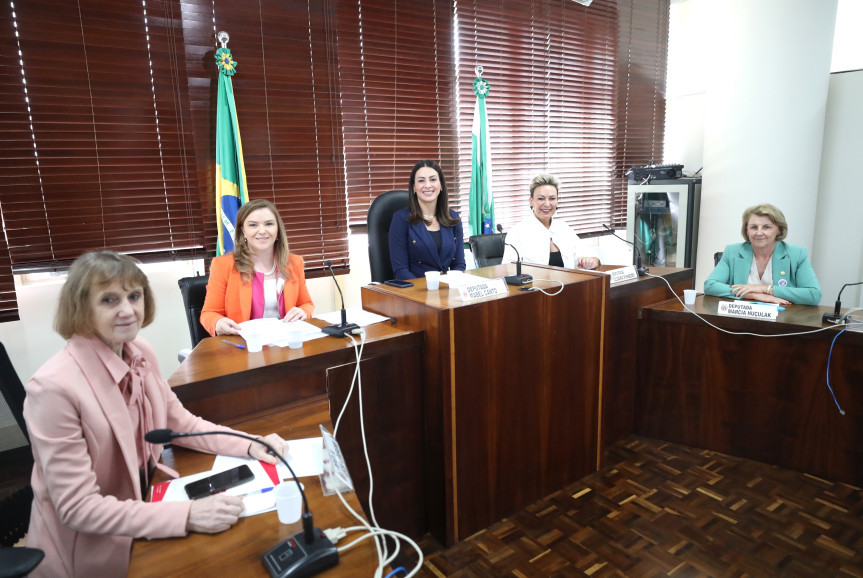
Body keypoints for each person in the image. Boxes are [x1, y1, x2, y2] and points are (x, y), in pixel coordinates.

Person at [23, 251, 289, 577]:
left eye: (134, 296)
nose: (127, 310)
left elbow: (183, 424)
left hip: (147, 501)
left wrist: (250, 443)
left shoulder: (140, 352)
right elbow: (78, 508)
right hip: (88, 550)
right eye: (109, 300)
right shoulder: (53, 389)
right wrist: (187, 515)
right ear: (81, 307)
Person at [201, 198, 314, 336]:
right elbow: (209, 314)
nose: (262, 231)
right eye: (253, 225)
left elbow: (306, 304)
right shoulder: (223, 266)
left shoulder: (294, 263)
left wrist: (303, 311)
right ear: (243, 230)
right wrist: (218, 323)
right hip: (244, 346)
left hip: (286, 342)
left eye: (269, 224)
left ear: (277, 229)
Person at [704, 203, 821, 305]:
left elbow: (813, 295)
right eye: (754, 227)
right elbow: (710, 286)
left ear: (779, 230)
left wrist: (764, 289)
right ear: (747, 230)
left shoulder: (796, 254)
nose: (759, 233)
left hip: (783, 320)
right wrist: (754, 295)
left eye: (766, 227)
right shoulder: (733, 252)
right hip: (740, 319)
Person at [502, 173, 600, 269]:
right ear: (531, 201)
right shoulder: (517, 232)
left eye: (552, 198)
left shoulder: (564, 228)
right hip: (534, 285)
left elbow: (591, 256)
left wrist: (591, 261)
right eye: (541, 198)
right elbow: (508, 270)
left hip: (568, 284)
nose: (547, 204)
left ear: (557, 201)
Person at [389, 160, 466, 280]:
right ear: (414, 188)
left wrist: (450, 286)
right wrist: (428, 291)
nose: (428, 185)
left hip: (447, 291)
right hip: (415, 292)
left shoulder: (453, 218)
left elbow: (459, 265)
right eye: (421, 181)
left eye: (433, 179)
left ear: (441, 186)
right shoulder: (401, 219)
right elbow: (401, 271)